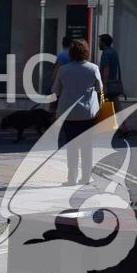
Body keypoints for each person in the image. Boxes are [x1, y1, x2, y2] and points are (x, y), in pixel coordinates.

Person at [50, 39, 105, 184]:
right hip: (87, 113)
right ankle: (86, 177)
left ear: (71, 53)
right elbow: (100, 88)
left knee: (72, 146)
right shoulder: (93, 68)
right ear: (86, 52)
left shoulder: (63, 70)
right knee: (87, 146)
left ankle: (71, 178)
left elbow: (55, 90)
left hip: (69, 114)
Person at [97, 34, 124, 104]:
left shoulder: (106, 53)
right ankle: (120, 114)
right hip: (114, 83)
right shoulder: (114, 52)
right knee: (114, 101)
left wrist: (104, 85)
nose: (98, 44)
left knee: (99, 102)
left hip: (108, 84)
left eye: (99, 42)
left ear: (103, 43)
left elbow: (106, 69)